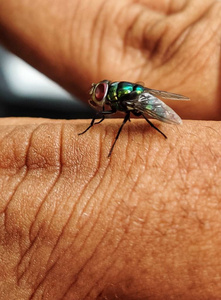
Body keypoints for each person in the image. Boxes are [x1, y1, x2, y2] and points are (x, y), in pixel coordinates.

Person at [0, 0, 220, 299]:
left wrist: (144, 126)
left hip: (141, 103)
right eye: (98, 90)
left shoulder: (125, 101)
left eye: (100, 92)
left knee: (130, 118)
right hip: (140, 96)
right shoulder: (118, 93)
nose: (96, 94)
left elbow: (141, 102)